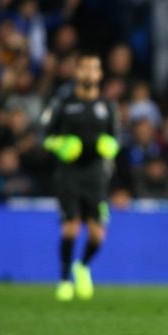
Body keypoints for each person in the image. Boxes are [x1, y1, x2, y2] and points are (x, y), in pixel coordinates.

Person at [41, 51, 120, 301]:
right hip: (69, 173)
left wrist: (111, 146)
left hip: (96, 175)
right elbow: (44, 136)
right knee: (71, 227)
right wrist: (60, 145)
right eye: (84, 68)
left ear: (100, 74)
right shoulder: (63, 103)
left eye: (93, 68)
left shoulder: (107, 106)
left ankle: (82, 266)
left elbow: (116, 138)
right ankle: (64, 279)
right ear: (77, 72)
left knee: (98, 234)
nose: (89, 73)